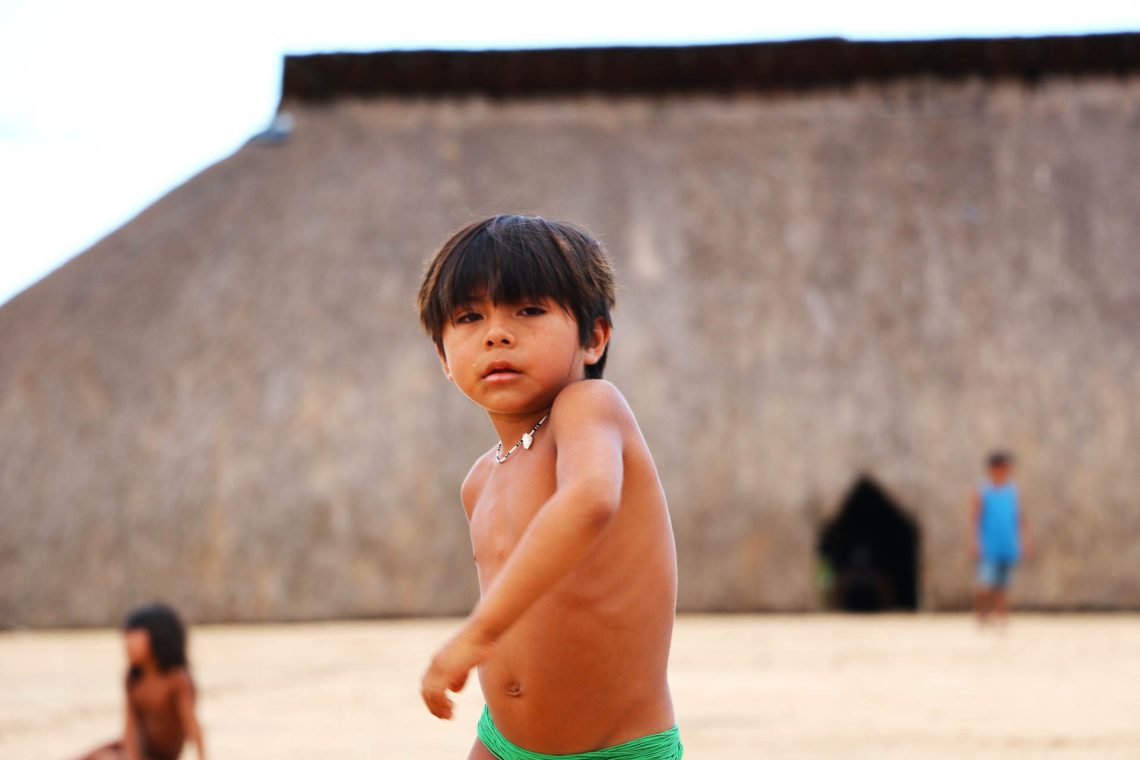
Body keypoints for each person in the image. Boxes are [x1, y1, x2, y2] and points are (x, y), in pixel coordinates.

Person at [416, 214, 683, 759]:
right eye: (469, 316)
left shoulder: (588, 408)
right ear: (444, 358)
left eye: (529, 310)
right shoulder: (479, 480)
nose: (497, 332)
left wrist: (477, 633)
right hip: (502, 741)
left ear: (594, 337)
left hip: (612, 750)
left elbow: (588, 502)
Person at [78, 603, 205, 760]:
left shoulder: (176, 679)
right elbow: (130, 727)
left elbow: (192, 726)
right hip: (136, 749)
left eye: (134, 636)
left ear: (159, 637)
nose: (127, 643)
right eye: (126, 637)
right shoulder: (133, 679)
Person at [971, 452, 1032, 626]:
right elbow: (975, 518)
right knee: (985, 583)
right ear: (993, 468)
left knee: (1003, 584)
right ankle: (982, 613)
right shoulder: (983, 490)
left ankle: (1001, 616)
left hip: (1007, 543)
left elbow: (1018, 515)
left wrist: (1024, 539)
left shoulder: (1012, 489)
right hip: (989, 544)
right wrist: (975, 541)